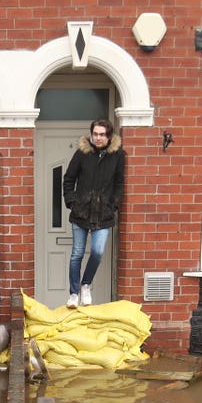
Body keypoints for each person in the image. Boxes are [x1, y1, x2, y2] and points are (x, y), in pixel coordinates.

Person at [62, 118, 125, 308]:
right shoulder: (82, 153)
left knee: (97, 252)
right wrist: (72, 202)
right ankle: (74, 293)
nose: (98, 138)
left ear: (109, 136)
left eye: (102, 135)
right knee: (77, 254)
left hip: (103, 214)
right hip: (81, 213)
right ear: (91, 134)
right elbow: (68, 179)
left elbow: (119, 184)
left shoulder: (118, 155)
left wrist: (113, 205)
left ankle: (86, 285)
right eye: (95, 134)